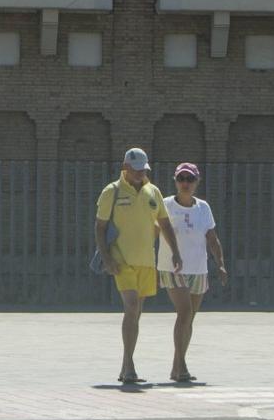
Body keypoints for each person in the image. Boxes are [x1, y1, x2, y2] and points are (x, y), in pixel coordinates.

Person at [95, 147, 182, 384]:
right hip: (121, 259)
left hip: (146, 260)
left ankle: (127, 364)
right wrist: (107, 258)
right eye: (135, 170)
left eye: (142, 170)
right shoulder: (111, 192)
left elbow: (164, 224)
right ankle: (128, 364)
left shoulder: (153, 192)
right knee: (131, 306)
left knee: (136, 313)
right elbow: (100, 228)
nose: (139, 174)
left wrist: (175, 252)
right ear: (125, 168)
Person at [156, 162, 227, 382]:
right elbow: (153, 231)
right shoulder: (165, 205)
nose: (185, 183)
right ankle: (181, 366)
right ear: (176, 181)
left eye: (190, 179)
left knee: (190, 318)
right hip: (173, 267)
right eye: (181, 179)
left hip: (198, 267)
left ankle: (177, 366)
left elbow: (212, 238)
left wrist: (221, 264)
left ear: (197, 182)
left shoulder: (203, 207)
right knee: (184, 313)